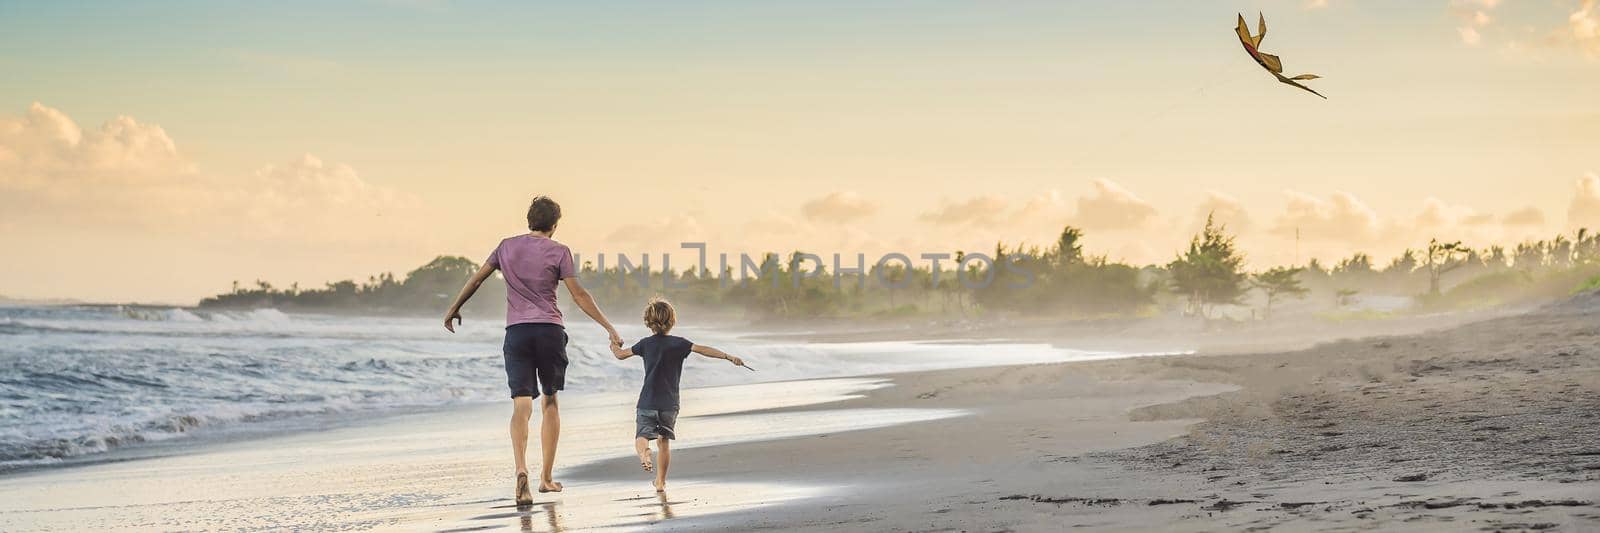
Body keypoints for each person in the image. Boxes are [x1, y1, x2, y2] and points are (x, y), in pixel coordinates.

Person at [443, 195, 624, 505]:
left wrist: (454, 308)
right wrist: (608, 327)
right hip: (550, 331)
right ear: (554, 225)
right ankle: (547, 478)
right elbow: (579, 295)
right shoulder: (559, 251)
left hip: (517, 333)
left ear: (529, 219)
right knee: (550, 400)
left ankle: (520, 469)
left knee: (521, 404)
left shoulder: (505, 247)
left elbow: (476, 280)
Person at [609, 297, 749, 492]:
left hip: (647, 401)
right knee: (663, 442)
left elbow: (620, 355)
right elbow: (703, 350)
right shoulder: (680, 344)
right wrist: (728, 356)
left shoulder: (645, 344)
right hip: (669, 404)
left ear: (648, 322)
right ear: (672, 321)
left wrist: (613, 345)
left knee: (642, 435)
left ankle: (644, 454)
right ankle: (660, 482)